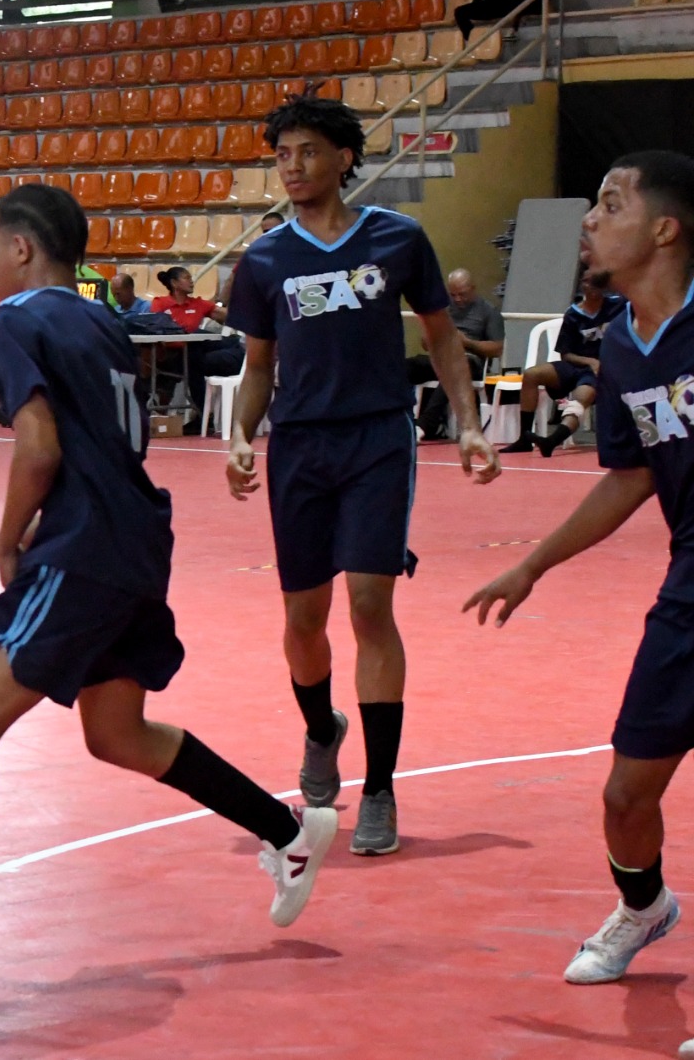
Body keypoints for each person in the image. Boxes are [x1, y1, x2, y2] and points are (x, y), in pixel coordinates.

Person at [0, 184, 337, 1001]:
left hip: (85, 550)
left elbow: (38, 443)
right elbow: (96, 448)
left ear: (22, 250)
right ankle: (289, 832)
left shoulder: (20, 317)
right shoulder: (100, 320)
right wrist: (21, 534)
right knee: (116, 732)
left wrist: (4, 541)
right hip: (134, 544)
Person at [225, 96, 500, 856]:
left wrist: (469, 421)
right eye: (281, 155)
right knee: (303, 621)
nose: (292, 167)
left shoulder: (398, 239)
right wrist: (240, 436)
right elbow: (257, 368)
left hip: (379, 438)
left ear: (345, 158)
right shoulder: (266, 259)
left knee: (370, 606)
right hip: (301, 448)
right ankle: (323, 729)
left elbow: (443, 341)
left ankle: (379, 786)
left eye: (307, 151)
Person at [465, 152, 694, 1005]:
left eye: (610, 203)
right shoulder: (626, 353)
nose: (589, 220)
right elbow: (631, 478)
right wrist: (532, 563)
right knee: (626, 793)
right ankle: (645, 907)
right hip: (688, 589)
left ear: (665, 228)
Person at [501, 278, 627, 456]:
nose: (595, 290)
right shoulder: (573, 314)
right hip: (576, 365)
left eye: (599, 286)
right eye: (591, 285)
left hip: (601, 370)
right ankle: (524, 438)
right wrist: (589, 361)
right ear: (584, 287)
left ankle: (552, 441)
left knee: (580, 398)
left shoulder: (619, 305)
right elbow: (565, 354)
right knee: (531, 374)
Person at [405, 268, 505, 441]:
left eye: (462, 294)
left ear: (473, 288)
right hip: (441, 356)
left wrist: (467, 342)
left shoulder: (489, 311)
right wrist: (434, 337)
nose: (458, 299)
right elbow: (425, 344)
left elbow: (496, 349)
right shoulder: (443, 309)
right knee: (404, 366)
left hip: (471, 360)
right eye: (453, 294)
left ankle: (424, 425)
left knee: (453, 369)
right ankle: (393, 419)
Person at [152, 266, 244, 433]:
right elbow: (154, 328)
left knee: (228, 342)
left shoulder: (198, 304)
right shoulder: (160, 304)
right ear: (174, 283)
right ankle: (203, 415)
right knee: (196, 340)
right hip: (171, 357)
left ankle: (203, 416)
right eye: (186, 278)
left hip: (194, 353)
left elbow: (223, 314)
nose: (191, 280)